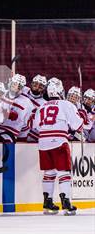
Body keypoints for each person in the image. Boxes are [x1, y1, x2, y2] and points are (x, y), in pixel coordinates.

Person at [33, 80, 83, 215]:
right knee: (64, 172)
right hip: (59, 141)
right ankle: (66, 203)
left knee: (49, 173)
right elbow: (77, 126)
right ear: (61, 92)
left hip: (43, 142)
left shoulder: (41, 106)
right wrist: (81, 117)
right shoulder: (67, 104)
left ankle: (47, 202)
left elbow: (35, 126)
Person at [0, 74, 34, 143]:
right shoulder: (0, 93)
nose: (15, 88)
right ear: (10, 83)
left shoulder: (26, 103)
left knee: (8, 140)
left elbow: (12, 130)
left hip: (14, 135)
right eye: (14, 84)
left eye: (19, 86)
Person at [20, 75, 48, 142]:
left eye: (41, 86)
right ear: (31, 83)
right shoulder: (22, 90)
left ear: (44, 88)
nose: (37, 87)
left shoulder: (44, 104)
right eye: (35, 84)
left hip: (26, 134)